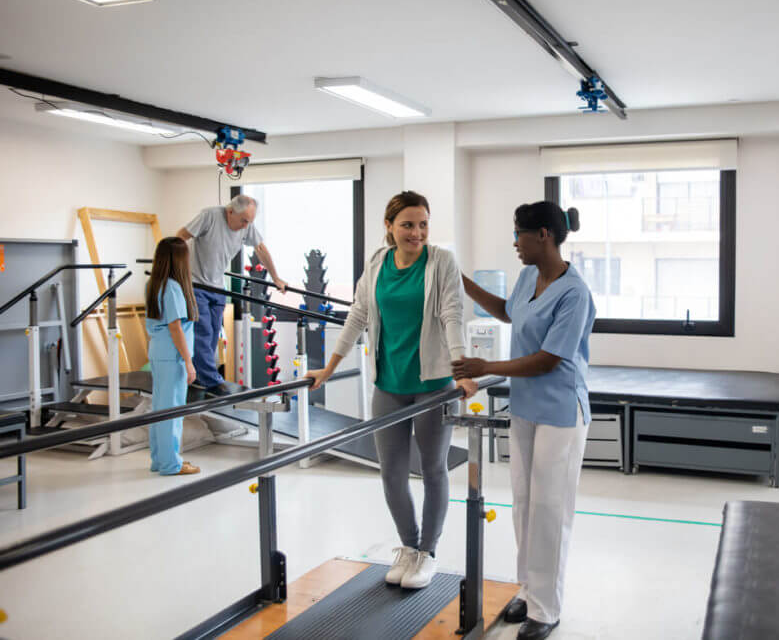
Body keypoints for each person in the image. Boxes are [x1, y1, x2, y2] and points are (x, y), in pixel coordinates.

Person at [308, 191, 478, 589]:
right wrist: (330, 368)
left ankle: (427, 552)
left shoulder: (442, 262)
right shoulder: (378, 263)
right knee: (392, 473)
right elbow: (358, 315)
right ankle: (408, 546)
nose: (416, 233)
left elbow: (452, 314)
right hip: (389, 381)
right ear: (389, 226)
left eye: (422, 224)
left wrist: (461, 369)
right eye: (407, 225)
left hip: (433, 383)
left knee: (433, 468)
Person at [452, 202, 594, 640]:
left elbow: (549, 360)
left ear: (545, 235)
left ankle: (546, 609)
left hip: (560, 411)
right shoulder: (530, 274)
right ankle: (529, 590)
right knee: (524, 504)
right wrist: (459, 282)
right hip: (526, 407)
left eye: (520, 234)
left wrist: (486, 367)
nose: (516, 243)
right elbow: (509, 312)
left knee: (550, 508)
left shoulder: (575, 293)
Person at [176, 194, 288, 395]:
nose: (246, 226)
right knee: (203, 333)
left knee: (212, 335)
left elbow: (260, 248)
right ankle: (211, 381)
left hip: (218, 287)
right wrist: (171, 267)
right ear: (230, 211)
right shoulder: (209, 216)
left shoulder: (247, 226)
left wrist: (276, 277)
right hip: (195, 284)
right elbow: (180, 236)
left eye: (250, 222)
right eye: (244, 220)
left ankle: (200, 378)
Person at [145, 237, 201, 476]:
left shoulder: (154, 284)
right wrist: (189, 362)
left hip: (159, 352)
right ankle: (171, 464)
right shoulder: (173, 288)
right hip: (173, 356)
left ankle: (161, 459)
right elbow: (175, 327)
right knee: (172, 411)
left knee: (160, 408)